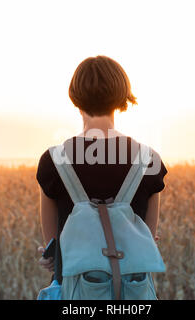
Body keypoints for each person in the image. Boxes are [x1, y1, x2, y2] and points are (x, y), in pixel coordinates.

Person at [36, 55, 167, 286]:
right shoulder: (149, 160)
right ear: (121, 95)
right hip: (130, 295)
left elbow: (53, 248)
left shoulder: (53, 161)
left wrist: (51, 257)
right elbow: (148, 239)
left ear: (75, 97)